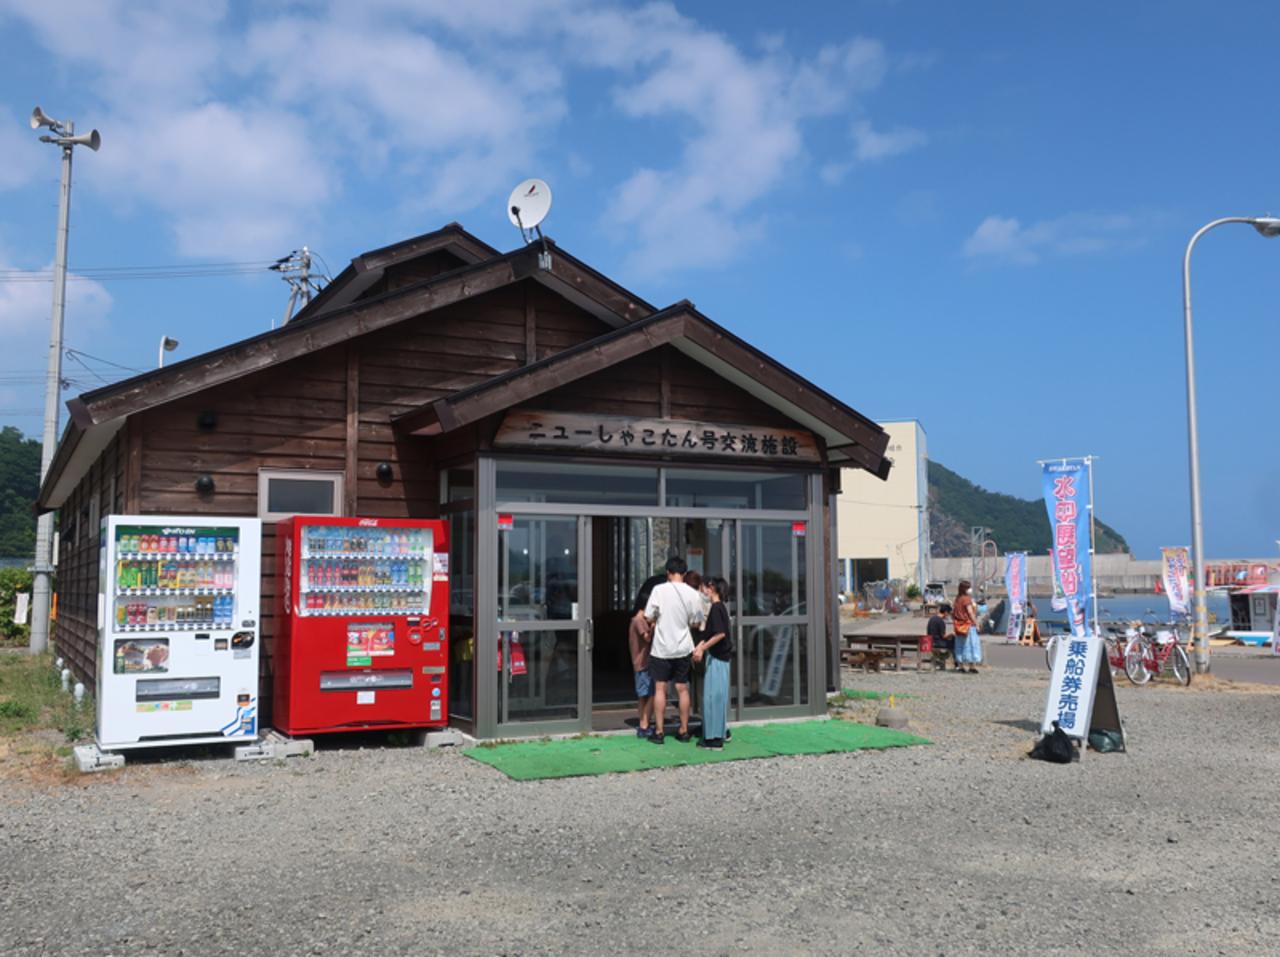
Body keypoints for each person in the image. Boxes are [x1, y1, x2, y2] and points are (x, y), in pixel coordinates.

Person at [643, 556, 705, 744]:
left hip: (662, 647)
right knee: (683, 689)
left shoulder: (659, 590)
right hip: (683, 646)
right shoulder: (692, 593)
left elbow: (648, 616)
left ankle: (660, 731)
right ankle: (684, 730)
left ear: (668, 573)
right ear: (684, 573)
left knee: (660, 688)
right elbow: (697, 621)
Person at [693, 576, 732, 748]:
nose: (704, 591)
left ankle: (714, 738)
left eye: (706, 588)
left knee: (712, 697)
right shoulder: (720, 607)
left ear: (713, 588)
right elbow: (711, 634)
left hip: (717, 658)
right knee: (717, 697)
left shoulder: (716, 609)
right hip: (721, 658)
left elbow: (719, 634)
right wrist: (700, 646)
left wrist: (702, 648)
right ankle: (719, 733)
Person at [629, 574, 665, 738]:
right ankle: (644, 725)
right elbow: (647, 638)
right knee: (649, 694)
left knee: (643, 695)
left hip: (640, 663)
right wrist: (655, 624)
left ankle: (643, 723)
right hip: (643, 663)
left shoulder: (635, 619)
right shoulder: (639, 621)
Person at [953, 580, 982, 674]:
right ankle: (972, 666)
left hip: (958, 626)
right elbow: (970, 612)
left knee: (960, 646)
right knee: (971, 645)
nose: (970, 589)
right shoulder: (966, 599)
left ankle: (960, 666)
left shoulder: (957, 598)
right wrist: (977, 624)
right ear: (965, 589)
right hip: (968, 625)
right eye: (968, 587)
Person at [927, 601, 954, 671]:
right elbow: (943, 636)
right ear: (945, 612)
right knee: (954, 642)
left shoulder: (932, 619)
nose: (948, 616)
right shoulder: (941, 622)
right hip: (938, 642)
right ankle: (956, 663)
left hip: (930, 641)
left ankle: (940, 662)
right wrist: (951, 634)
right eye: (948, 614)